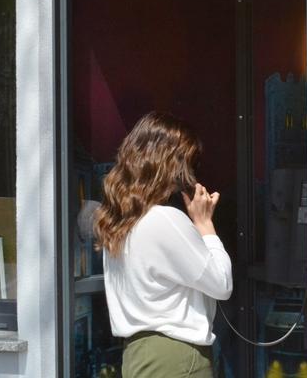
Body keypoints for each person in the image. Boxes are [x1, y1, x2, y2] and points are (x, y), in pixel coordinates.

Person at [93, 112, 232, 378]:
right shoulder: (165, 219)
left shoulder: (120, 222)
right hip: (177, 356)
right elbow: (222, 283)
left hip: (137, 355)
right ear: (170, 163)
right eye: (189, 162)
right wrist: (205, 225)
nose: (190, 173)